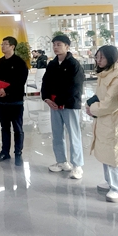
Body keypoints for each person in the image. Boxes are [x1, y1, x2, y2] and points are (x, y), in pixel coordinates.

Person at [86, 45, 118, 203]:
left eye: (102, 57)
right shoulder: (105, 74)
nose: (98, 60)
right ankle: (109, 181)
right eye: (97, 57)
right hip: (103, 120)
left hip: (114, 121)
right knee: (105, 152)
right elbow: (100, 96)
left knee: (115, 156)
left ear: (111, 58)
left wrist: (92, 109)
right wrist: (90, 105)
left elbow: (109, 104)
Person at [41, 34, 85, 179]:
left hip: (69, 105)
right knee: (57, 134)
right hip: (54, 105)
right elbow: (45, 82)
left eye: (59, 44)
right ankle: (61, 161)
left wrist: (60, 101)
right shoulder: (52, 64)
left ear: (67, 46)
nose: (55, 47)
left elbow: (75, 87)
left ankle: (77, 165)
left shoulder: (74, 64)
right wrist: (47, 98)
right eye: (54, 44)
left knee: (74, 134)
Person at [0, 36, 29, 166]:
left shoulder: (20, 63)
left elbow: (20, 81)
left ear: (12, 46)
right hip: (1, 102)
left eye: (5, 44)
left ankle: (18, 152)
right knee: (4, 127)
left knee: (17, 128)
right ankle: (4, 152)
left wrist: (6, 91)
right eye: (2, 44)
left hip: (15, 101)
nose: (2, 46)